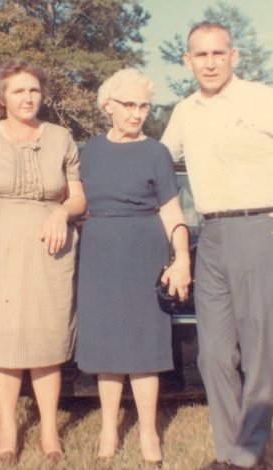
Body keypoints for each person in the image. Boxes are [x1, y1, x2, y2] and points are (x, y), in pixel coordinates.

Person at [161, 22, 273, 470]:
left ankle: (245, 456)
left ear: (233, 56)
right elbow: (158, 166)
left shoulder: (261, 98)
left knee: (258, 352)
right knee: (214, 354)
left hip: (263, 230)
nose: (210, 63)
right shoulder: (184, 111)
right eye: (201, 55)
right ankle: (229, 452)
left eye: (218, 53)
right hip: (212, 236)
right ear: (187, 61)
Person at [0, 58, 86, 465]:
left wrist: (61, 212)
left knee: (47, 337)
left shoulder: (61, 137)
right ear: (1, 98)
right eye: (18, 91)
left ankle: (49, 430)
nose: (28, 98)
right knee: (3, 340)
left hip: (50, 253)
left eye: (34, 90)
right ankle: (8, 430)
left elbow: (78, 198)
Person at [75, 68, 192, 465]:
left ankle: (147, 430)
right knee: (106, 339)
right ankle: (109, 427)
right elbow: (75, 202)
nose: (137, 113)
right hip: (99, 253)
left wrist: (181, 256)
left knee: (144, 342)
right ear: (108, 105)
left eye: (144, 106)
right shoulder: (89, 151)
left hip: (145, 250)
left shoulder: (156, 153)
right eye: (129, 104)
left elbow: (171, 210)